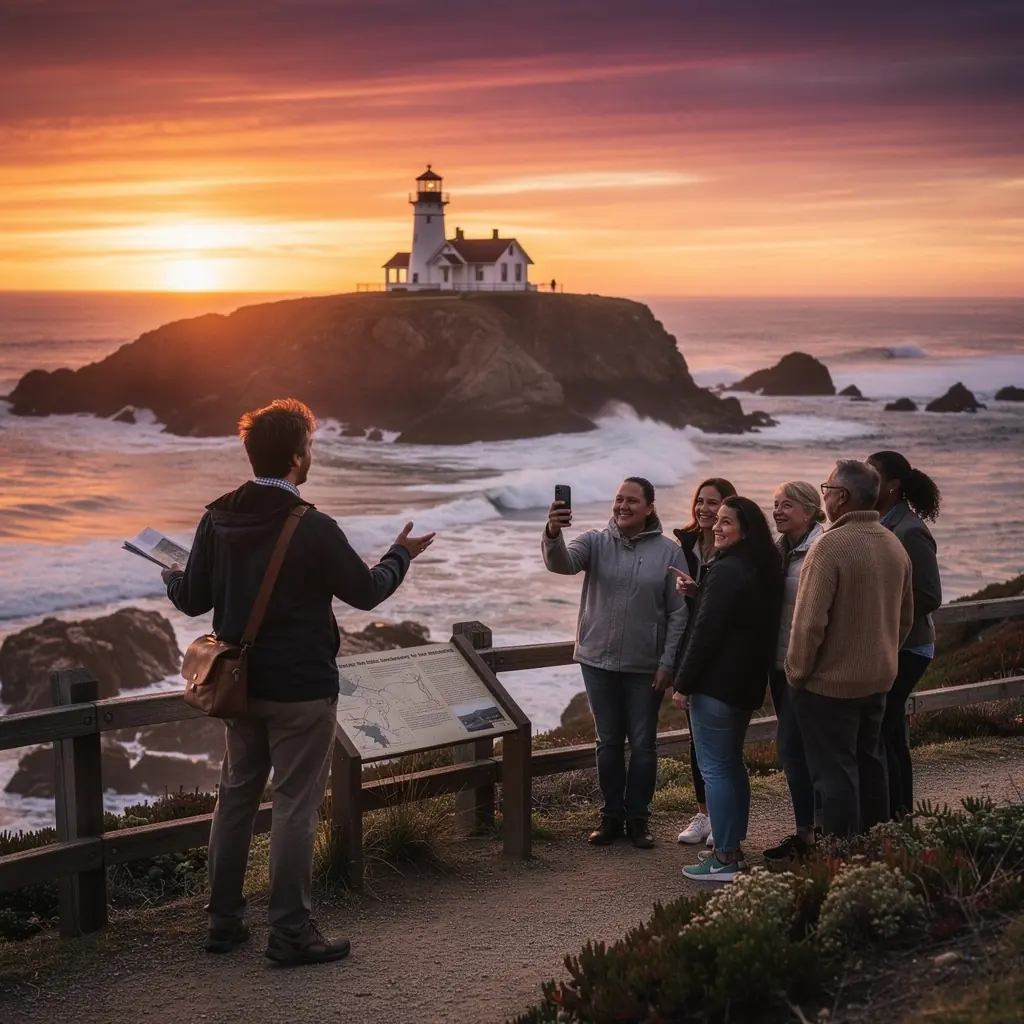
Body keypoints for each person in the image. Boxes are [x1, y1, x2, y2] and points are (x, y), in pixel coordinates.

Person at [161, 398, 434, 964]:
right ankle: (289, 932)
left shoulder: (217, 516)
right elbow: (366, 590)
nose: (311, 456)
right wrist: (400, 555)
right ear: (294, 457)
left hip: (237, 686)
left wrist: (171, 576)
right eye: (309, 447)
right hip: (302, 690)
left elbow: (192, 600)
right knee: (293, 807)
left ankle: (223, 922)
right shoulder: (311, 526)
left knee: (235, 800)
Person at [543, 477, 689, 848]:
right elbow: (561, 564)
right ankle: (611, 817)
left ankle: (638, 818)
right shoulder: (593, 542)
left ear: (650, 508)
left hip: (646, 667)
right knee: (607, 742)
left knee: (643, 744)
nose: (623, 506)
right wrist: (553, 531)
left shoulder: (669, 552)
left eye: (633, 501)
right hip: (598, 663)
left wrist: (667, 664)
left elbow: (678, 614)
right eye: (619, 499)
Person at [786, 460, 913, 839]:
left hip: (829, 687)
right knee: (870, 764)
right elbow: (904, 618)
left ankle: (841, 858)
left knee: (835, 774)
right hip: (877, 680)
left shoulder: (829, 546)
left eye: (826, 490)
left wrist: (796, 673)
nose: (824, 496)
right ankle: (875, 847)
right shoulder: (893, 544)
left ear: (841, 498)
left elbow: (808, 624)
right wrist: (883, 658)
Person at [672, 496, 782, 882]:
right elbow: (738, 620)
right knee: (732, 766)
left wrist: (682, 683)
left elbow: (705, 633)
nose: (716, 528)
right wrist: (701, 593)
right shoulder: (762, 567)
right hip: (744, 686)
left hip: (715, 686)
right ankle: (732, 847)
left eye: (725, 523)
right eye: (716, 521)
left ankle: (723, 858)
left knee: (715, 769)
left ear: (745, 530)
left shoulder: (725, 569)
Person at [867, 450, 943, 818]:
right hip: (889, 644)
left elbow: (930, 595)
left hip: (909, 647)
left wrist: (878, 607)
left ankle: (895, 817)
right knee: (889, 730)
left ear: (893, 485)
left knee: (884, 728)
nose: (867, 480)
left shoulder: (910, 531)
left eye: (873, 474)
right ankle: (899, 816)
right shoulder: (878, 523)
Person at [672, 477, 737, 848]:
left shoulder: (735, 548)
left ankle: (724, 820)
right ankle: (706, 815)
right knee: (697, 740)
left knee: (722, 741)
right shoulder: (685, 545)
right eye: (700, 501)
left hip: (724, 653)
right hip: (689, 647)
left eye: (713, 503)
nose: (704, 509)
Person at [763, 482, 824, 865]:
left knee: (798, 751)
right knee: (795, 752)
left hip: (808, 669)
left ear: (810, 509)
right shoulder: (779, 551)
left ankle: (815, 834)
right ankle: (811, 832)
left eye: (787, 505)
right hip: (778, 665)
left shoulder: (820, 550)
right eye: (775, 505)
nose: (778, 511)